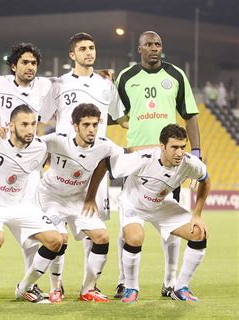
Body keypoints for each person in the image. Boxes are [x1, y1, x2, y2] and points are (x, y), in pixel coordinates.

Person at [38, 32, 127, 298]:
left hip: (96, 165)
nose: (89, 52)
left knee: (94, 229)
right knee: (59, 230)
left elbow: (119, 119)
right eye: (83, 48)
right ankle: (57, 286)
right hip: (64, 166)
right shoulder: (59, 83)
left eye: (92, 47)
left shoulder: (106, 84)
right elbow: (43, 118)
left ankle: (90, 286)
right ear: (72, 54)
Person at [115, 30, 202, 298]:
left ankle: (170, 280)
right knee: (130, 219)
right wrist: (133, 130)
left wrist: (196, 150)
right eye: (149, 44)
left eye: (158, 44)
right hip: (138, 160)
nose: (154, 48)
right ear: (139, 49)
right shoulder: (126, 77)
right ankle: (124, 280)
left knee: (171, 223)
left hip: (170, 159)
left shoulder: (175, 75)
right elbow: (116, 113)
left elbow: (189, 115)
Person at [85, 124, 210, 303]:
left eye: (183, 147)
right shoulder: (142, 158)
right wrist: (90, 197)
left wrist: (197, 214)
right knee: (135, 237)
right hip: (133, 204)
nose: (179, 153)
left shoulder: (189, 163)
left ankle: (180, 287)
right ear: (162, 146)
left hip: (161, 205)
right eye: (174, 147)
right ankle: (131, 288)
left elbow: (206, 180)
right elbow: (104, 164)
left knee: (199, 234)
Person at [0, 104, 63, 305]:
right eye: (24, 124)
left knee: (55, 240)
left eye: (33, 124)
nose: (30, 129)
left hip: (20, 206)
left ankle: (25, 288)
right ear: (10, 125)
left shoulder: (40, 147)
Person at [0, 42, 52, 299]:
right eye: (24, 62)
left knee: (31, 231)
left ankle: (30, 283)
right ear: (13, 65)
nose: (30, 67)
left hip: (27, 165)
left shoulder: (45, 87)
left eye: (33, 63)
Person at [37, 103, 125, 303]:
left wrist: (91, 196)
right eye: (86, 125)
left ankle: (88, 289)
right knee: (60, 238)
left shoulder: (105, 145)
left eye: (95, 124)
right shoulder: (57, 140)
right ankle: (55, 288)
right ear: (75, 126)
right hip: (51, 198)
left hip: (78, 199)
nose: (91, 129)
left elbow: (117, 158)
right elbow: (28, 145)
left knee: (101, 236)